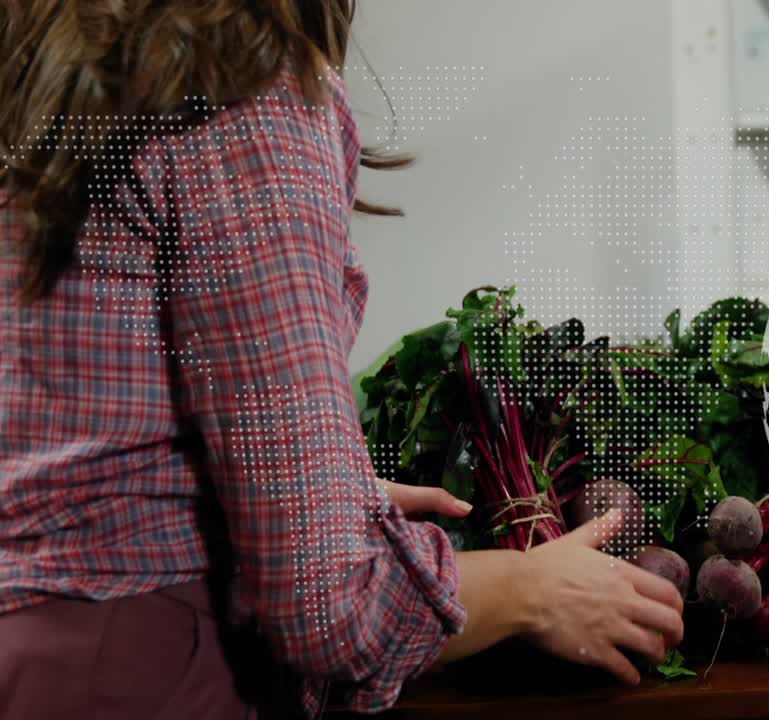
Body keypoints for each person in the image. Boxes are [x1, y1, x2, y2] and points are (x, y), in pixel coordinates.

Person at [0, 2, 683, 718]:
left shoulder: (52, 49)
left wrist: (312, 494)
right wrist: (529, 590)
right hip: (144, 674)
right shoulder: (237, 79)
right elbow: (326, 610)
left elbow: (80, 432)